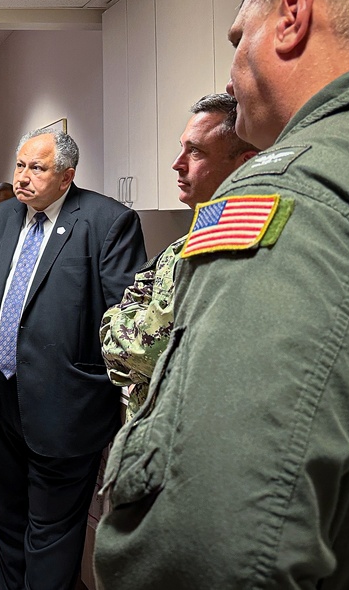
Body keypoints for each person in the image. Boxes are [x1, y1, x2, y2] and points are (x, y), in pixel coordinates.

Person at [94, 0, 349, 589]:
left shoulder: (293, 196)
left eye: (237, 35)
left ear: (292, 15)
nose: (233, 61)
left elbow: (219, 542)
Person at [0, 129, 145, 590]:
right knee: (9, 523)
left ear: (66, 176)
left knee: (52, 533)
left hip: (66, 403)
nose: (23, 178)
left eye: (37, 168)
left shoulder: (108, 221)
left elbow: (127, 315)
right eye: (20, 166)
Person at [100, 93, 258, 416]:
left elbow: (143, 347)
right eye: (182, 147)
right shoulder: (180, 246)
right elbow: (121, 349)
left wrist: (116, 328)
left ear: (243, 165)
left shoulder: (234, 245)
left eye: (195, 152)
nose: (177, 163)